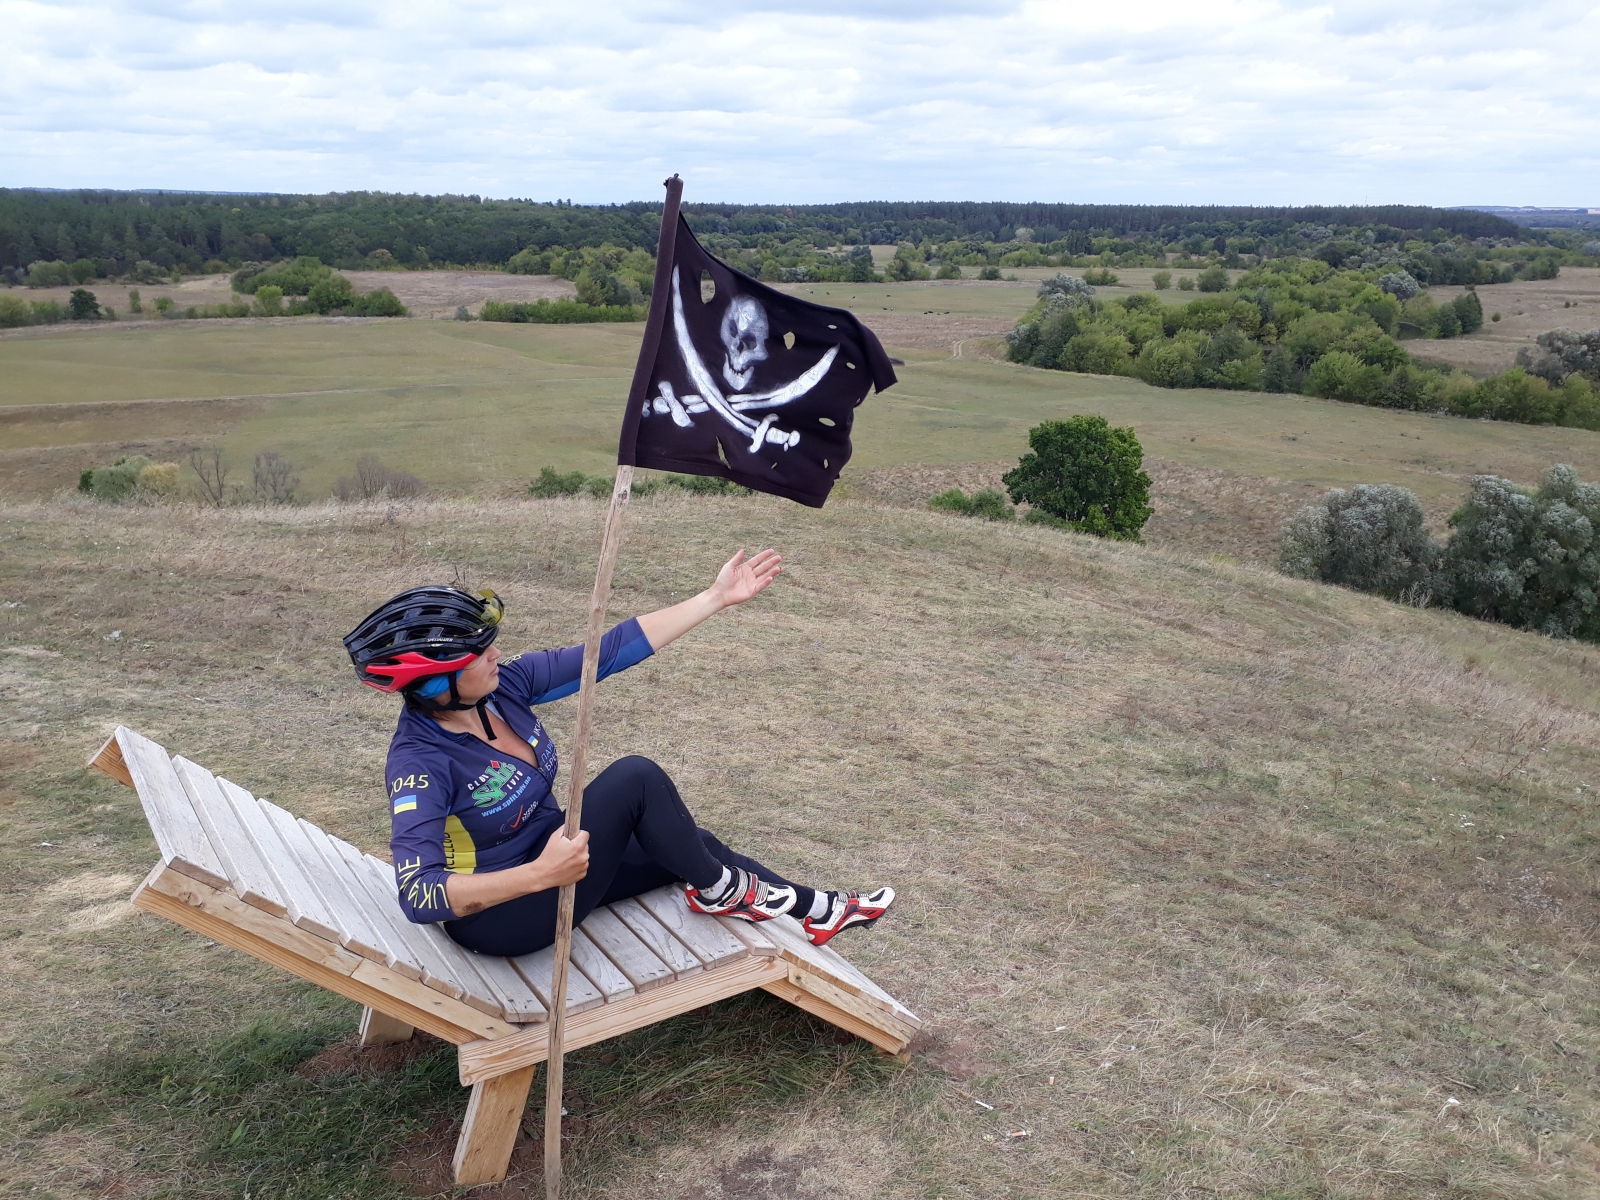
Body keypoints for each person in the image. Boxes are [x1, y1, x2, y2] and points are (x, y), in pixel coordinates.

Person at [342, 549, 893, 958]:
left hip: (559, 860)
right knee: (634, 777)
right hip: (506, 915)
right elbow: (419, 895)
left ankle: (817, 910)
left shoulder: (505, 687)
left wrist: (715, 597)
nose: (496, 654)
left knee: (690, 844)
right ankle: (724, 891)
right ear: (434, 681)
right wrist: (538, 875)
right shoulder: (418, 763)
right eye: (477, 653)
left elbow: (605, 653)